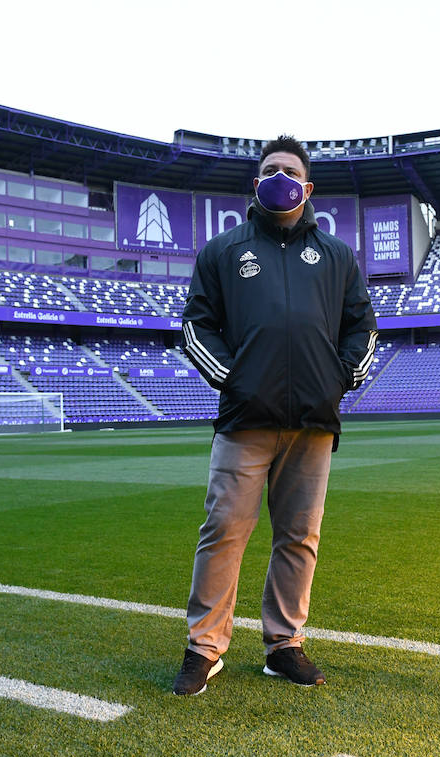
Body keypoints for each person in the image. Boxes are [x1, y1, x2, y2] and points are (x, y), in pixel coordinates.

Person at [173, 135, 378, 696]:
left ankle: (284, 645)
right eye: (269, 169)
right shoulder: (222, 251)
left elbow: (362, 326)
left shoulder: (336, 256)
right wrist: (233, 379)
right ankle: (204, 647)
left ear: (307, 188)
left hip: (313, 422)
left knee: (299, 535)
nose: (278, 176)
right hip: (245, 419)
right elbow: (196, 327)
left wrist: (339, 379)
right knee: (223, 531)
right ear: (256, 183)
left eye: (289, 170)